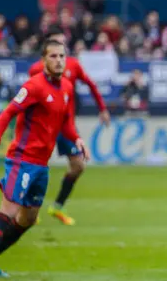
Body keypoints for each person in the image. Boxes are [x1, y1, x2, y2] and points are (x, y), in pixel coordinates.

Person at [0, 39, 90, 281]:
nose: (59, 60)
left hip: (41, 166)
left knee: (28, 218)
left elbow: (66, 123)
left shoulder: (67, 87)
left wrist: (77, 138)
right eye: (53, 56)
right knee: (9, 210)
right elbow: (8, 113)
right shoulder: (34, 86)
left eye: (62, 56)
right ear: (43, 60)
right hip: (22, 160)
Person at [28, 27, 110, 226]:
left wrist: (102, 109)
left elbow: (91, 84)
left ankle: (58, 206)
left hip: (65, 126)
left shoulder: (73, 65)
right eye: (57, 43)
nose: (61, 49)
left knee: (78, 166)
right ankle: (29, 206)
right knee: (36, 167)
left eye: (63, 43)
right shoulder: (36, 70)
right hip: (44, 126)